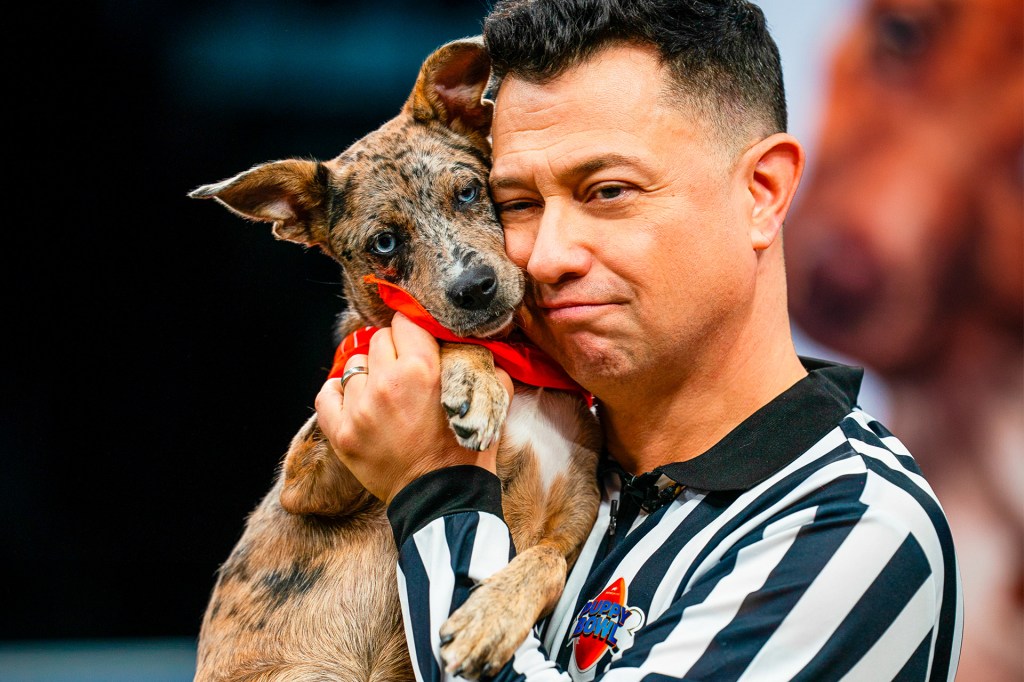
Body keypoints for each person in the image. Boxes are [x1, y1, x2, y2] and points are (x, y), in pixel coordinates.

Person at [315, 0, 963, 679]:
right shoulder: (546, 452)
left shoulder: (852, 522)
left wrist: (435, 491)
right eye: (516, 205)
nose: (547, 256)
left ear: (763, 191)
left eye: (607, 191)